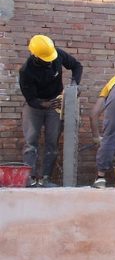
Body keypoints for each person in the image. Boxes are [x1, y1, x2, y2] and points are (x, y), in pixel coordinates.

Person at [18, 34, 83, 187]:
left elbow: (77, 66)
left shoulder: (56, 54)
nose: (49, 63)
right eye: (44, 60)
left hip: (56, 104)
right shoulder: (26, 71)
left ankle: (46, 178)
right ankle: (30, 179)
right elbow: (31, 99)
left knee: (52, 142)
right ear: (35, 56)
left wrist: (74, 84)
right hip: (35, 106)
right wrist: (44, 104)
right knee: (31, 141)